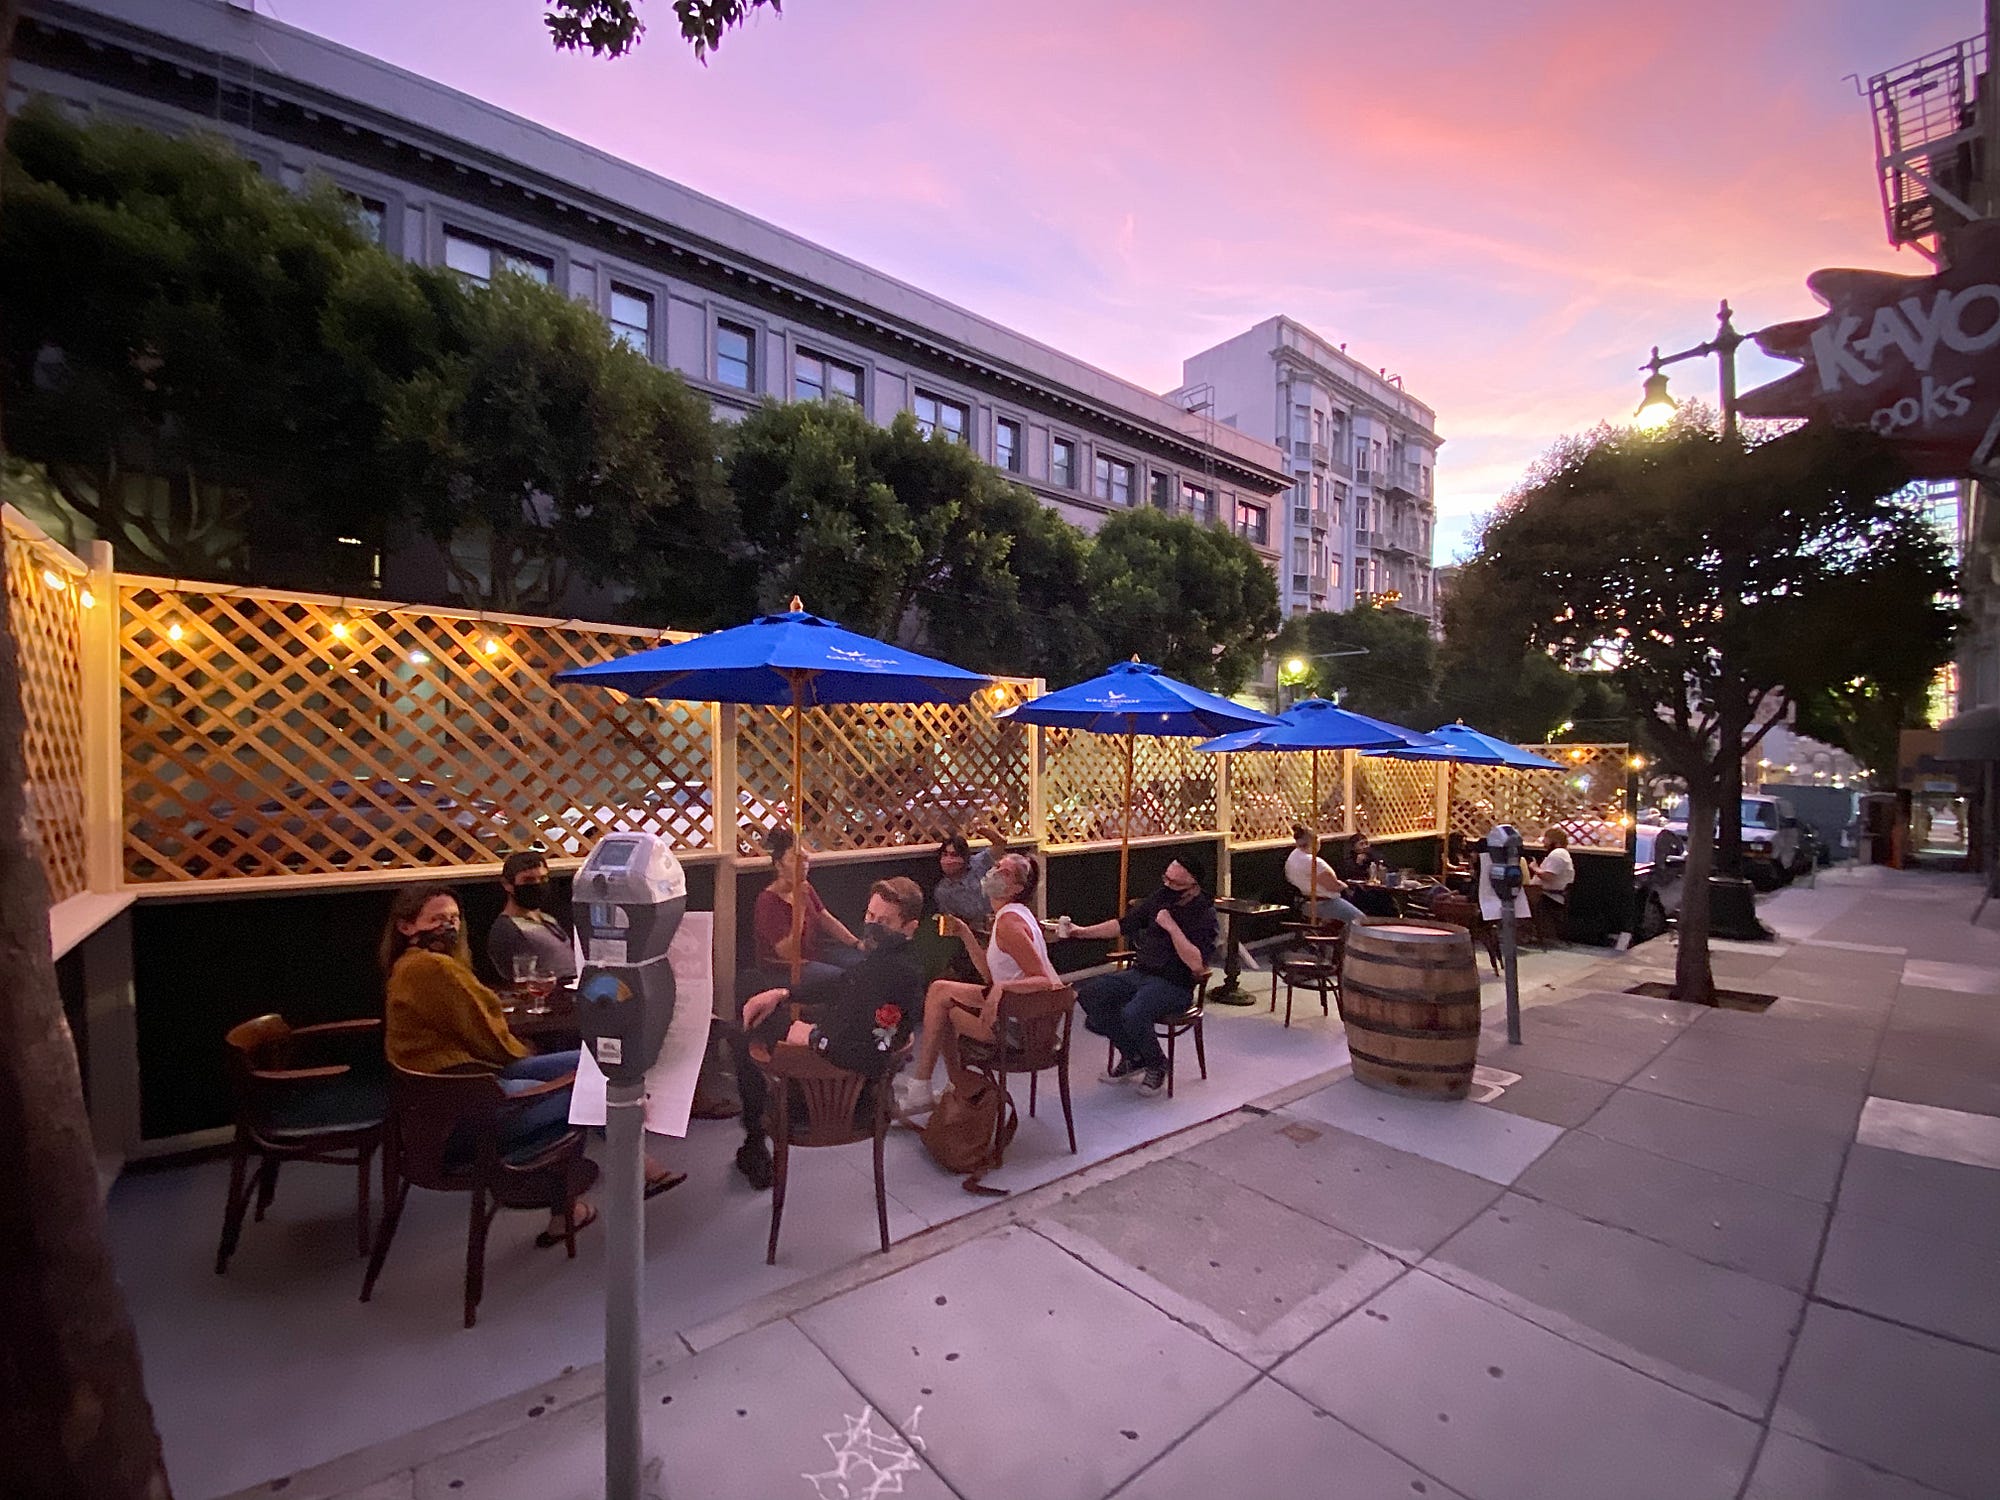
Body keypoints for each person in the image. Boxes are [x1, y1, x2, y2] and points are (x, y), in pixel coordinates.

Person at [380, 884, 680, 1244]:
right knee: (593, 1088)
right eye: (437, 919)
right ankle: (598, 1191)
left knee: (588, 1065)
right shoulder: (432, 969)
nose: (449, 926)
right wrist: (522, 1049)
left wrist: (519, 1050)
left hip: (446, 1098)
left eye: (453, 918)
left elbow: (478, 1031)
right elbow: (487, 1037)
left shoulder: (409, 966)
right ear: (406, 927)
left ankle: (614, 1181)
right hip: (465, 1115)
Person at [731, 877, 927, 1189]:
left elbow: (873, 1055)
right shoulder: (881, 962)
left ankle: (755, 1143)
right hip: (831, 1060)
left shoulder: (900, 979)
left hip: (834, 1098)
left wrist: (809, 1035)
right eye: (870, 916)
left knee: (744, 1032)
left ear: (909, 928)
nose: (872, 926)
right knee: (754, 989)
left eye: (884, 921)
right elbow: (842, 983)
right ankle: (753, 1143)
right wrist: (783, 993)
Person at [897, 852, 1060, 1117]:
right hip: (1019, 1013)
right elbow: (990, 974)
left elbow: (1043, 981)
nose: (994, 872)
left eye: (1005, 872)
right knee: (940, 990)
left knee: (943, 1010)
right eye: (997, 866)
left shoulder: (1009, 923)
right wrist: (964, 932)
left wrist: (1002, 989)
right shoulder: (1012, 915)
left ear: (1017, 888)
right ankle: (941, 1087)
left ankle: (942, 1088)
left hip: (1023, 1029)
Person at [1065, 857, 1218, 1097]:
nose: (1168, 886)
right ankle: (1135, 1056)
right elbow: (1123, 925)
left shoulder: (1204, 913)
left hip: (1175, 983)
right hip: (1142, 972)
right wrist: (1081, 932)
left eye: (1176, 883)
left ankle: (1157, 1064)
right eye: (1166, 878)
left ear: (1194, 886)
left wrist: (1171, 926)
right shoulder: (1160, 896)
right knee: (1091, 996)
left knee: (1134, 1013)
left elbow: (1196, 964)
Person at [752, 828, 864, 986]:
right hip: (785, 967)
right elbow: (786, 952)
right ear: (779, 865)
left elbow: (825, 918)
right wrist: (799, 909)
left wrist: (856, 943)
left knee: (862, 965)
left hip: (815, 955)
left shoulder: (806, 888)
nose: (803, 865)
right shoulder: (768, 901)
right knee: (841, 978)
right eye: (795, 860)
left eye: (805, 860)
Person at [486, 849, 578, 984]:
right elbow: (514, 979)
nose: (537, 885)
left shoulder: (547, 919)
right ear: (507, 884)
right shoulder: (507, 930)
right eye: (528, 880)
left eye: (543, 878)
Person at [932, 822, 1012, 929]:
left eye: (954, 855)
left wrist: (981, 829)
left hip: (1002, 919)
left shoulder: (978, 863)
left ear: (964, 857)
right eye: (945, 855)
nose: (948, 860)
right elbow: (953, 924)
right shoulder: (942, 891)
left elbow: (1000, 843)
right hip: (975, 933)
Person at [1284, 824, 1367, 926]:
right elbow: (1333, 887)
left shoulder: (1292, 857)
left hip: (1303, 904)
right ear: (1315, 841)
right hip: (1323, 904)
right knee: (1362, 921)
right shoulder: (1314, 862)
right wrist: (1345, 885)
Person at [1531, 826, 1575, 938]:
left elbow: (1548, 877)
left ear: (1554, 840)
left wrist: (1534, 867)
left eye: (1545, 839)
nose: (1543, 842)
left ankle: (1522, 933)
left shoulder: (1557, 855)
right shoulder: (1561, 854)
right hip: (1548, 893)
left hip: (1548, 895)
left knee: (1515, 900)